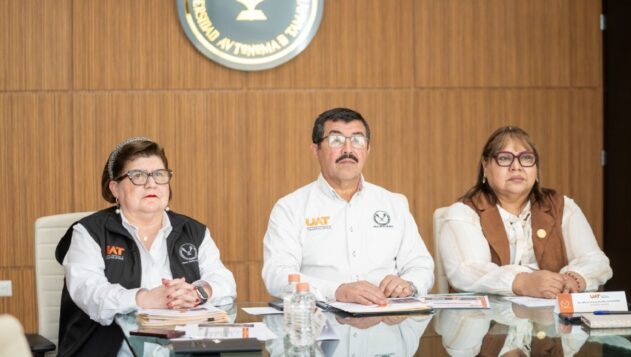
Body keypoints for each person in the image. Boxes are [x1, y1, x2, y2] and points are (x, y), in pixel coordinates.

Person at [56, 137, 236, 356]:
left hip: (185, 350)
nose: (152, 184)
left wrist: (197, 292)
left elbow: (225, 282)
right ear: (115, 188)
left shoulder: (194, 231)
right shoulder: (89, 232)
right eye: (138, 176)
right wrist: (144, 299)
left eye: (159, 175)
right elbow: (90, 293)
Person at [262, 107, 434, 305]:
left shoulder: (394, 203)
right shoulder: (290, 208)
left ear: (367, 150)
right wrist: (336, 291)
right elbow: (277, 274)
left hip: (386, 315)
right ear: (316, 150)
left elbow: (421, 266)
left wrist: (408, 284)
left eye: (357, 140)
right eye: (336, 140)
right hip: (320, 318)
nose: (348, 150)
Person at [438, 126, 612, 298]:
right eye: (504, 158)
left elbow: (595, 260)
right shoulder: (463, 213)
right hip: (488, 316)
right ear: (485, 166)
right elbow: (466, 271)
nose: (516, 166)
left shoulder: (562, 206)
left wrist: (574, 279)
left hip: (554, 313)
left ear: (536, 168)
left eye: (527, 158)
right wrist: (522, 282)